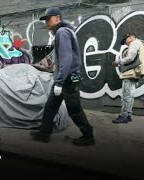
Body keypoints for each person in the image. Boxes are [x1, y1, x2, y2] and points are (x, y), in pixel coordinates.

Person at [30, 7, 95, 146]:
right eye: (45, 20)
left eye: (48, 19)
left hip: (68, 79)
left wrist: (59, 82)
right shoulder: (65, 31)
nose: (46, 22)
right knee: (51, 106)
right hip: (64, 77)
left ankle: (88, 135)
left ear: (57, 18)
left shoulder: (62, 32)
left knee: (74, 108)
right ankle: (44, 133)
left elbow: (66, 59)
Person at [112, 33, 144, 123]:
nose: (126, 44)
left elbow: (130, 58)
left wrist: (118, 62)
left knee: (125, 95)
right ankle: (128, 115)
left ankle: (124, 116)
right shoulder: (139, 44)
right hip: (135, 72)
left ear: (130, 37)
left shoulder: (134, 44)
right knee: (130, 95)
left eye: (125, 41)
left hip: (130, 72)